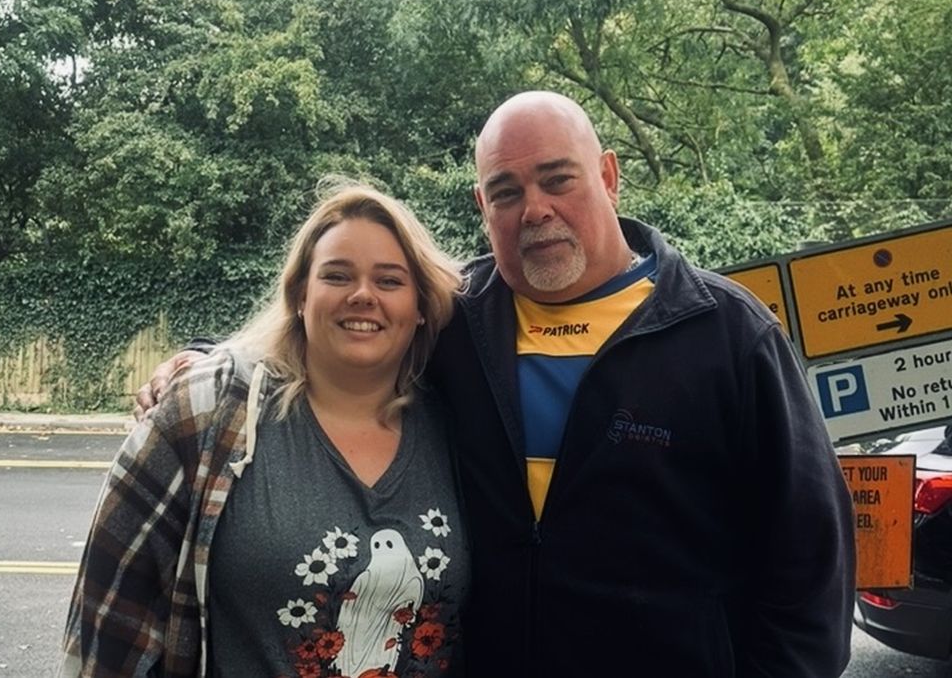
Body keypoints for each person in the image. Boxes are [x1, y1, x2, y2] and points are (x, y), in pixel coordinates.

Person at [137, 92, 856, 677]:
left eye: (556, 178)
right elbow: (336, 332)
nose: (534, 209)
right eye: (505, 191)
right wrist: (203, 360)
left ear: (606, 176)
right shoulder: (458, 319)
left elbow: (808, 571)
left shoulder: (726, 334)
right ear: (484, 208)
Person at [61, 184, 469, 677]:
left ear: (421, 305)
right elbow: (108, 624)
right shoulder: (209, 412)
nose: (362, 295)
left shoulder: (460, 425)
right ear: (300, 295)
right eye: (337, 275)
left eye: (389, 281)